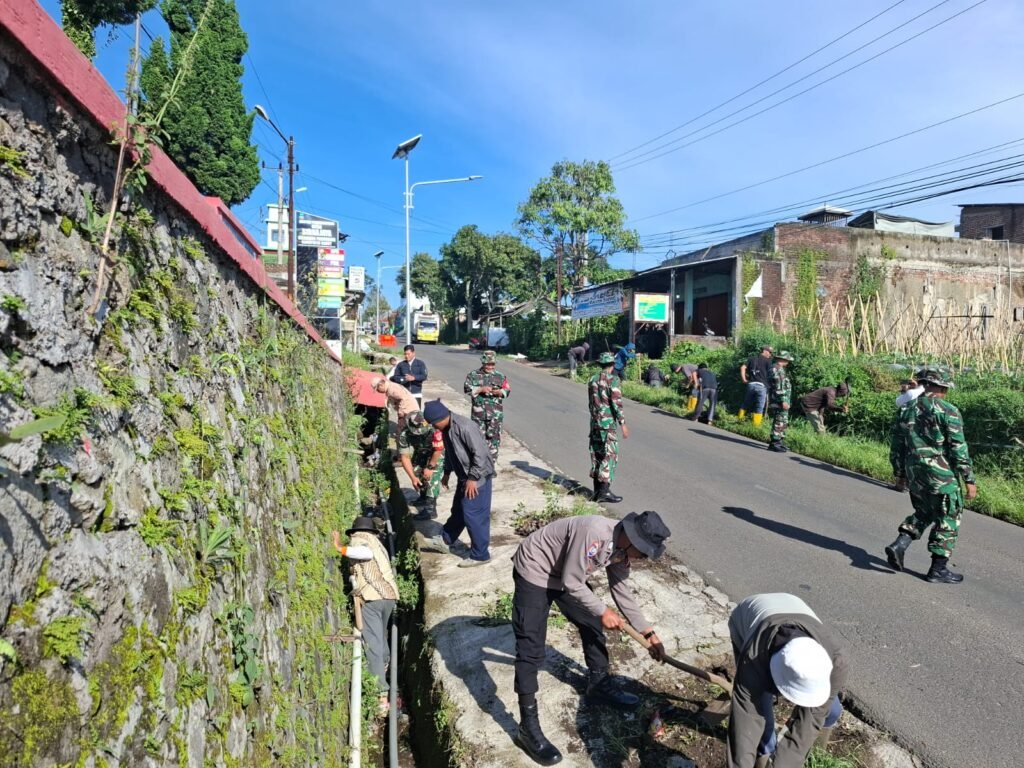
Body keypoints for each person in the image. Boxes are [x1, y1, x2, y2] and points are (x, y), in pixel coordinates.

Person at [511, 511, 671, 766]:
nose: (642, 558)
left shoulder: (620, 548)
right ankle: (527, 726)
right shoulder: (594, 532)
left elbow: (620, 589)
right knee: (531, 649)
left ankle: (598, 685)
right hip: (536, 570)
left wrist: (647, 632)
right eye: (643, 552)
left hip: (565, 576)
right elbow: (573, 582)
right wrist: (603, 610)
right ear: (631, 540)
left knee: (593, 624)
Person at [726, 593, 847, 768]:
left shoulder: (837, 661)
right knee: (761, 708)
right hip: (747, 617)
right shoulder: (753, 660)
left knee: (831, 710)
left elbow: (811, 719)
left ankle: (816, 748)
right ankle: (764, 754)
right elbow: (745, 720)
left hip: (792, 604)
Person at [885, 366, 977, 584]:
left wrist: (899, 473)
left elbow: (897, 444)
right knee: (949, 516)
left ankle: (901, 543)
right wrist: (969, 479)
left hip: (914, 471)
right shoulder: (947, 410)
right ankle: (938, 569)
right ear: (942, 387)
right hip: (940, 473)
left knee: (925, 510)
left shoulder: (905, 408)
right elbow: (958, 448)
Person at [332, 518, 400, 716]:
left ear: (355, 531)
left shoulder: (360, 540)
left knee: (372, 644)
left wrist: (340, 548)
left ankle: (381, 694)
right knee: (381, 638)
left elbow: (363, 553)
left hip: (372, 598)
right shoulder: (378, 543)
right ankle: (386, 674)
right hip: (389, 597)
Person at [420, 400, 496, 567]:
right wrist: (447, 472)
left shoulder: (465, 427)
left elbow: (481, 455)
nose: (434, 427)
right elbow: (452, 453)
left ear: (440, 418)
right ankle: (446, 540)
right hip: (465, 477)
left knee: (474, 515)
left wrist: (473, 479)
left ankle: (480, 555)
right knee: (459, 509)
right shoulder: (447, 428)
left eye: (434, 424)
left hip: (478, 478)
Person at [588, 352, 629, 503]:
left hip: (595, 424)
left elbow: (591, 403)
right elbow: (616, 403)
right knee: (610, 456)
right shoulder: (614, 380)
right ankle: (604, 492)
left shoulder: (592, 380)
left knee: (597, 455)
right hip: (608, 425)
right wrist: (623, 423)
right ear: (612, 365)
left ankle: (597, 492)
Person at [396, 410, 445, 520]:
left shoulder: (435, 430)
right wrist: (413, 477)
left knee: (432, 477)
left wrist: (430, 467)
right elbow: (405, 457)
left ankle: (430, 509)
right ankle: (423, 496)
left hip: (437, 452)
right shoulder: (405, 434)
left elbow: (438, 450)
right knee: (417, 471)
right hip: (421, 452)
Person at [464, 350, 511, 460]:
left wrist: (500, 392)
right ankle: (478, 465)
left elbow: (507, 390)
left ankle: (491, 466)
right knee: (477, 441)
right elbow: (467, 389)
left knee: (493, 441)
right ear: (483, 363)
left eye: (492, 364)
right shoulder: (473, 375)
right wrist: (480, 389)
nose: (490, 367)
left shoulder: (500, 376)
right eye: (488, 364)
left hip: (495, 416)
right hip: (478, 416)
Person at [739, 345, 774, 425]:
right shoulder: (768, 361)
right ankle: (756, 426)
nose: (770, 354)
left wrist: (744, 380)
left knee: (745, 404)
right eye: (770, 352)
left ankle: (740, 421)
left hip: (750, 385)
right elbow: (771, 374)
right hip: (762, 386)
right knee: (759, 407)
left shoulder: (751, 358)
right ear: (764, 351)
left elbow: (742, 368)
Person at [767, 351, 794, 452]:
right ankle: (775, 442)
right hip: (779, 399)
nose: (788, 362)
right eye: (787, 360)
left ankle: (779, 441)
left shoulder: (779, 369)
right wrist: (783, 400)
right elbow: (779, 385)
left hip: (782, 399)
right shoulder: (777, 369)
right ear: (784, 359)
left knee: (783, 420)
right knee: (779, 420)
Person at [390, 344, 428, 408]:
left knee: (416, 414)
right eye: (405, 354)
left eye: (408, 354)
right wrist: (404, 379)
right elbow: (395, 377)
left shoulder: (420, 363)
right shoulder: (400, 365)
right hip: (404, 393)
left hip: (416, 394)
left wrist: (414, 378)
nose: (406, 356)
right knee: (404, 414)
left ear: (413, 353)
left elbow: (424, 376)